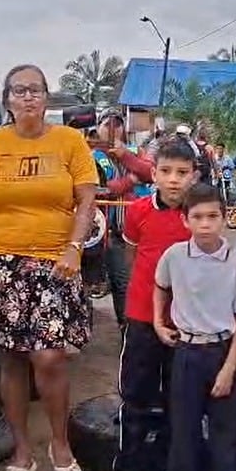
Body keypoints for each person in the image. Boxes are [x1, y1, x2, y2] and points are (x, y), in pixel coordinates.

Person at [0, 64, 96, 471]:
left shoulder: (70, 141)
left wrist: (74, 248)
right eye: (19, 90)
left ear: (46, 98)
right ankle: (22, 453)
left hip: (54, 261)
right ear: (7, 99)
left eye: (35, 90)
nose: (27, 97)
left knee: (49, 356)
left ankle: (61, 446)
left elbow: (87, 200)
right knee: (10, 358)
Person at [109, 141, 196, 471]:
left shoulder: (199, 216)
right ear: (154, 174)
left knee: (179, 398)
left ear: (194, 176)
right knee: (135, 394)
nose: (174, 180)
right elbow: (133, 257)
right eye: (166, 171)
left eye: (182, 172)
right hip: (142, 317)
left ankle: (165, 469)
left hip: (186, 322)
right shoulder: (138, 211)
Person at [154, 183, 236, 471]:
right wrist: (158, 322)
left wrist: (230, 367)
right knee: (183, 431)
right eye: (197, 217)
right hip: (186, 352)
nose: (206, 224)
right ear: (185, 220)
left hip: (222, 351)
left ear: (224, 218)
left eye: (213, 216)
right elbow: (160, 286)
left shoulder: (235, 264)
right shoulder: (174, 256)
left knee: (225, 433)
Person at [93, 107, 154, 327]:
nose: (112, 129)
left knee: (140, 281)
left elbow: (150, 172)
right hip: (110, 233)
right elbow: (100, 189)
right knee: (121, 284)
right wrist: (131, 180)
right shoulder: (93, 155)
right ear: (98, 128)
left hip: (140, 231)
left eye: (117, 124)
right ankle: (126, 328)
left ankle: (135, 327)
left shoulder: (135, 151)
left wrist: (124, 156)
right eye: (107, 124)